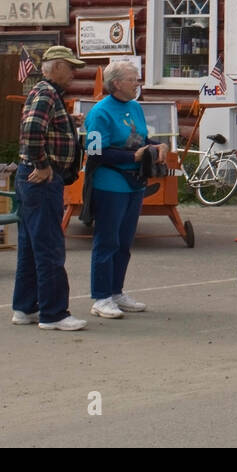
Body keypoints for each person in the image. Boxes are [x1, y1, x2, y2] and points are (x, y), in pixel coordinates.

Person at [12, 46, 87, 331]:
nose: (73, 73)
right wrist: (42, 165)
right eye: (70, 67)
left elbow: (44, 127)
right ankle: (54, 313)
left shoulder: (46, 93)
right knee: (50, 247)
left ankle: (25, 307)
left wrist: (69, 122)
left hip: (32, 178)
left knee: (31, 246)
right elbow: (32, 131)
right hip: (41, 179)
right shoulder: (46, 93)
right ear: (55, 67)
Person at [85, 61, 165, 319]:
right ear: (117, 83)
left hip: (135, 183)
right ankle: (100, 296)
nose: (137, 84)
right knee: (107, 240)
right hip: (110, 183)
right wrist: (132, 157)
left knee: (124, 241)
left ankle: (116, 291)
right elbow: (96, 152)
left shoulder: (135, 107)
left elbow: (140, 139)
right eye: (133, 79)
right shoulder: (99, 113)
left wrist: (157, 145)